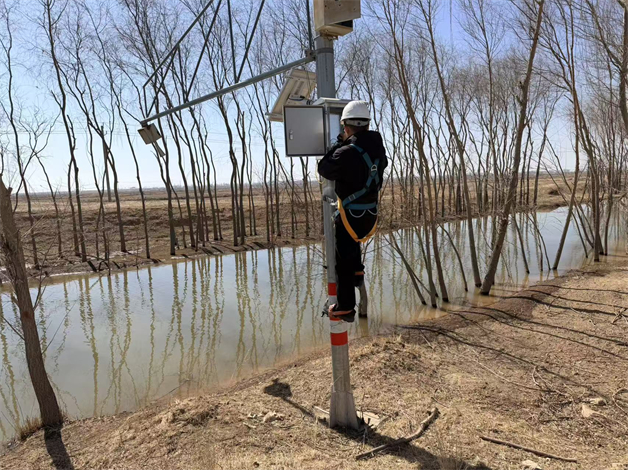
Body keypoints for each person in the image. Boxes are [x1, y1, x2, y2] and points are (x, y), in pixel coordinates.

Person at [318, 101, 388, 323]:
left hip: (349, 217)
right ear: (367, 125)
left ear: (346, 127)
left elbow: (324, 168)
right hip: (369, 216)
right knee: (351, 252)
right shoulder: (378, 150)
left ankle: (345, 308)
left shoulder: (345, 152)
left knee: (343, 262)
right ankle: (358, 273)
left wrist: (338, 145)